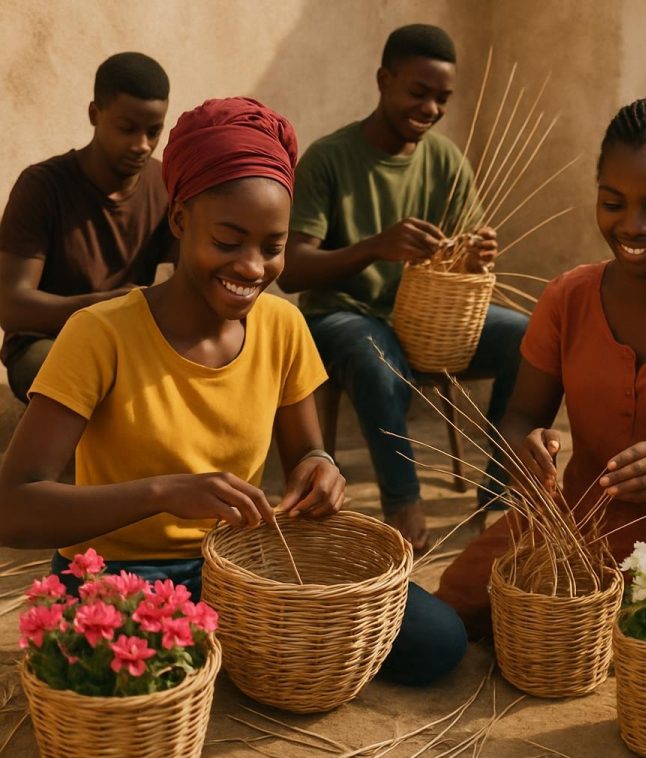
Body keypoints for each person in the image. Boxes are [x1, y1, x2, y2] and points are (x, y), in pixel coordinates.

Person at [0, 97, 466, 686]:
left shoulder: (281, 326)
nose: (252, 266)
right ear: (179, 221)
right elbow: (13, 509)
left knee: (436, 642)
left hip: (243, 568)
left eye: (272, 247)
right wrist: (166, 492)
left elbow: (307, 456)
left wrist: (321, 471)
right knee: (142, 673)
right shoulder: (100, 334)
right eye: (228, 240)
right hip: (120, 574)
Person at [436, 95, 646, 640]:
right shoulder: (568, 297)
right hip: (572, 532)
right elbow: (520, 417)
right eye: (613, 202)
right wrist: (530, 452)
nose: (632, 226)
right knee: (448, 612)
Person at [278, 24, 528, 551]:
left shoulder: (445, 160)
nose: (432, 108)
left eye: (442, 98)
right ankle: (403, 503)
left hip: (428, 323)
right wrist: (374, 247)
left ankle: (497, 500)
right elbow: (293, 269)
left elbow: (465, 256)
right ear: (384, 80)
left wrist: (479, 258)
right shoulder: (329, 159)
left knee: (531, 341)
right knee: (375, 355)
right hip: (340, 317)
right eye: (419, 92)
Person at [0, 52, 175, 404]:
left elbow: (182, 282)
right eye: (127, 129)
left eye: (153, 131)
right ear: (95, 114)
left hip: (133, 343)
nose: (142, 144)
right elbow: (10, 305)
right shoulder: (42, 186)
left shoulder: (167, 186)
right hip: (46, 342)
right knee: (75, 373)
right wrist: (101, 308)